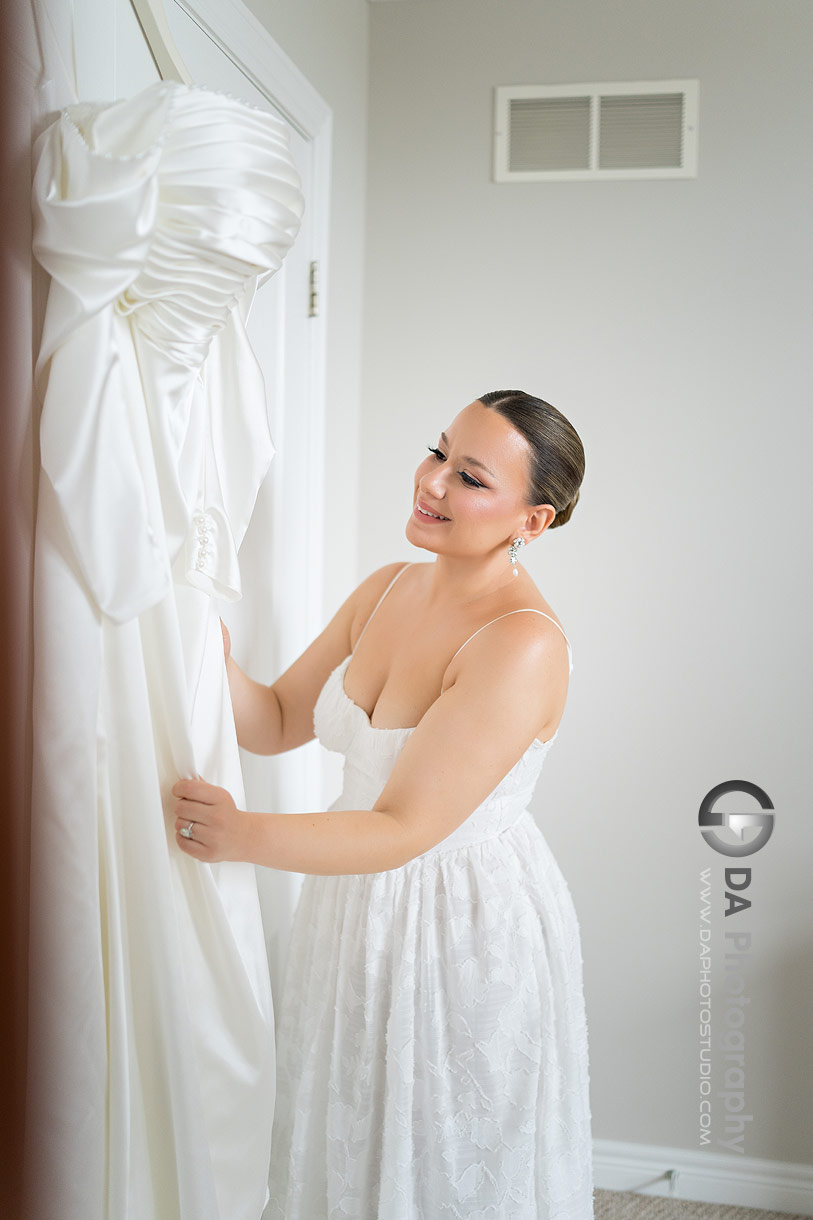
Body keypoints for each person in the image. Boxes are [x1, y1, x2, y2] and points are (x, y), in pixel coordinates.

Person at [173, 390, 594, 1219]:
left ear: (532, 521)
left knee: (441, 1151)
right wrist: (199, 648)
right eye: (438, 452)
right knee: (345, 1133)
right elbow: (279, 720)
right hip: (351, 896)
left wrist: (239, 834)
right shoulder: (385, 589)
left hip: (457, 920)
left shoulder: (521, 643)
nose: (431, 482)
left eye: (469, 477)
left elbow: (405, 828)